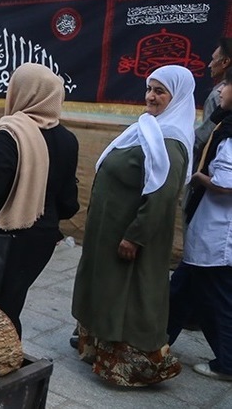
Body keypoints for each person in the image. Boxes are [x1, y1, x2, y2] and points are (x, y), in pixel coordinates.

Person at [72, 65, 195, 387]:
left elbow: (163, 196)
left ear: (177, 97)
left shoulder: (171, 141)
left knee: (128, 298)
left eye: (160, 91)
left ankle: (134, 366)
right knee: (107, 290)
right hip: (111, 230)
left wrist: (134, 236)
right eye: (149, 89)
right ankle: (98, 348)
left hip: (130, 237)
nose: (151, 97)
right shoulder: (148, 128)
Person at [0, 63, 78, 335]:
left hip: (7, 238)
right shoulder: (67, 139)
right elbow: (69, 201)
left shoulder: (11, 133)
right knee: (10, 303)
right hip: (43, 238)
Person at [166, 67, 232, 381]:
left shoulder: (231, 131)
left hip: (219, 232)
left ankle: (228, 362)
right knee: (181, 290)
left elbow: (225, 182)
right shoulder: (223, 121)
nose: (220, 90)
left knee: (217, 299)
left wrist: (197, 176)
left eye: (227, 85)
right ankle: (156, 341)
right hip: (208, 230)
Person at [194, 38, 232, 150]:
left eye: (213, 60)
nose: (210, 65)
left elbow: (204, 138)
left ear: (225, 62)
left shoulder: (218, 95)